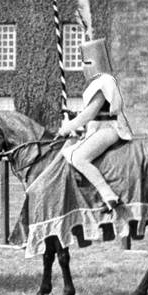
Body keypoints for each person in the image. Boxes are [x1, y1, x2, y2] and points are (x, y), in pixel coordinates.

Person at [56, 36, 133, 213]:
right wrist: (74, 115)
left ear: (94, 62)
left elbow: (90, 114)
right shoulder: (100, 81)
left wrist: (67, 127)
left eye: (86, 62)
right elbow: (93, 113)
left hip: (108, 129)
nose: (83, 67)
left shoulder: (104, 82)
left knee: (78, 157)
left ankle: (109, 196)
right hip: (99, 128)